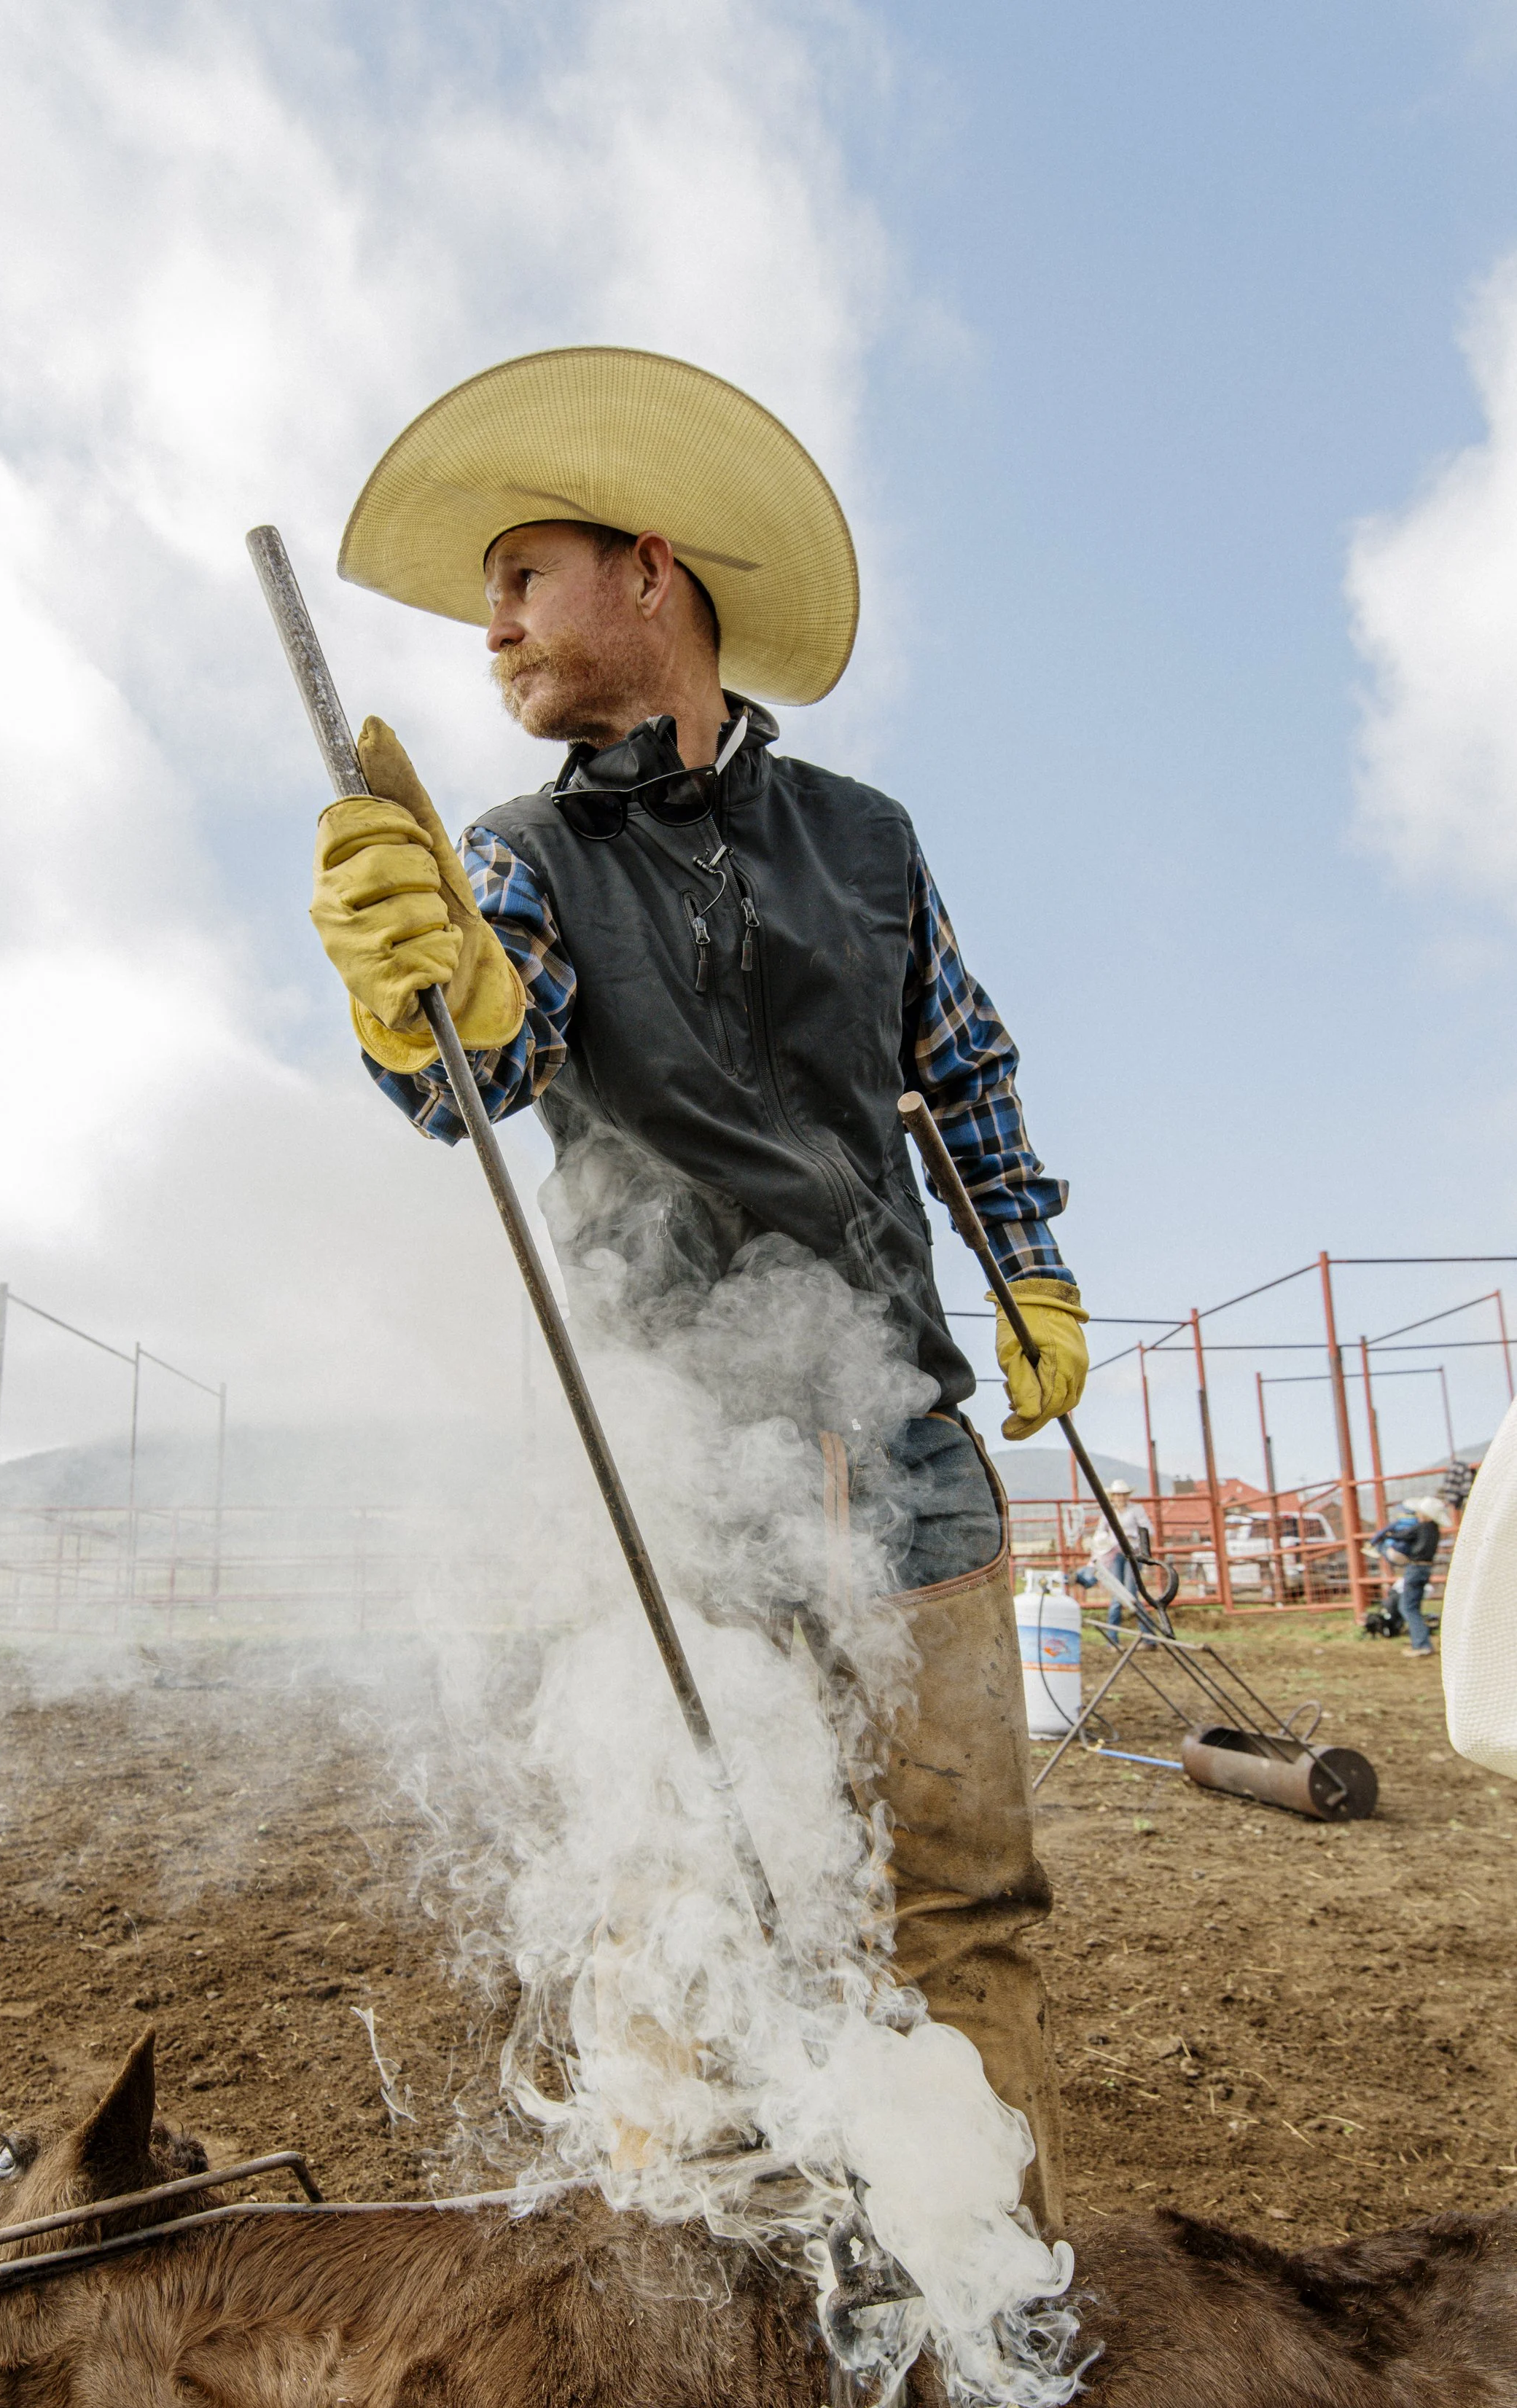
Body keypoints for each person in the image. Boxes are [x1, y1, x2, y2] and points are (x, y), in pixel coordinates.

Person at [307, 350, 1090, 2236]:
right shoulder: (518, 859)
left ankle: (989, 2290)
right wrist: (433, 1000)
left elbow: (962, 1079)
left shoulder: (872, 842)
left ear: (646, 570)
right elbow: (474, 1080)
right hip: (674, 1479)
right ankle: (684, 2339)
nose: (490, 624)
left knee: (960, 1909)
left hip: (903, 1458)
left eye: (520, 573)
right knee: (677, 1902)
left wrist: (1034, 1274)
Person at [1368, 1496, 1454, 1657]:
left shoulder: (1422, 1527)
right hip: (1424, 1571)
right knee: (1412, 1606)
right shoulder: (1433, 1530)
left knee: (1408, 1607)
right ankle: (1420, 1641)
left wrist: (1386, 1535)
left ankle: (1421, 1644)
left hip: (1415, 1570)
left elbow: (1402, 1535)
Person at [1090, 1479, 1151, 1641]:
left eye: (1123, 1495)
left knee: (1129, 1593)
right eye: (1118, 1495)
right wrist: (1107, 1541)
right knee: (1119, 1593)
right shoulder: (1108, 1512)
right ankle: (1120, 1638)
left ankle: (1126, 1637)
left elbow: (1147, 1529)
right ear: (1113, 1496)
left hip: (1133, 1554)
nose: (1121, 1498)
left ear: (1127, 1496)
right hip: (1115, 1554)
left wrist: (1133, 1537)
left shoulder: (1136, 1510)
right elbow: (1100, 1533)